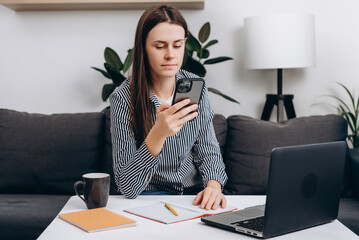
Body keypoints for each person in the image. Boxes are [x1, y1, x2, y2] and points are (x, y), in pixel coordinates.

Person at [110, 5, 227, 210]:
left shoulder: (196, 86)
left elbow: (208, 150)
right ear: (143, 48)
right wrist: (158, 133)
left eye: (178, 45)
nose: (171, 55)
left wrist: (214, 186)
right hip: (148, 198)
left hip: (192, 197)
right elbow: (127, 186)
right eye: (160, 46)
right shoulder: (122, 98)